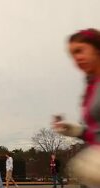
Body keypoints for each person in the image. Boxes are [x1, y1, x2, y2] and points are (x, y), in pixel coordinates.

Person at [52, 28, 100, 187]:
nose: (77, 58)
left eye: (80, 50)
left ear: (97, 48)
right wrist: (76, 130)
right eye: (72, 55)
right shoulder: (91, 86)